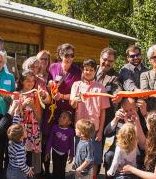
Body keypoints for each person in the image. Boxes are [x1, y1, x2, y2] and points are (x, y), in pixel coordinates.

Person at [42, 43, 81, 175]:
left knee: (64, 139)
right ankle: (47, 170)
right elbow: (48, 84)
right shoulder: (53, 67)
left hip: (67, 111)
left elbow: (78, 93)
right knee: (48, 137)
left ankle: (60, 171)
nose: (69, 58)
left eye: (72, 55)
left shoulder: (77, 71)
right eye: (66, 55)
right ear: (60, 55)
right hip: (53, 109)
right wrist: (50, 84)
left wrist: (62, 96)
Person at [70, 58, 110, 178]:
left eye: (91, 70)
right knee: (80, 157)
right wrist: (76, 99)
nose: (88, 72)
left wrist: (100, 131)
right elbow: (72, 104)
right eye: (86, 69)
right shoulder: (76, 85)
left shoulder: (100, 88)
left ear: (95, 71)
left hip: (94, 129)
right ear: (82, 69)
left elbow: (103, 112)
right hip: (80, 130)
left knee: (95, 159)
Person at [104, 98, 147, 178]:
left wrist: (136, 123)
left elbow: (143, 143)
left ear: (136, 109)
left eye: (131, 110)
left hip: (135, 150)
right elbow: (107, 133)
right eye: (126, 110)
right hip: (119, 149)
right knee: (109, 155)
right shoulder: (119, 118)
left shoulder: (140, 119)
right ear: (121, 109)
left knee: (143, 156)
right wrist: (115, 119)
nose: (129, 113)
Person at [95, 47, 122, 173]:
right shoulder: (90, 70)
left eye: (110, 61)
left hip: (105, 118)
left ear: (114, 62)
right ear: (100, 58)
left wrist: (118, 95)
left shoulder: (115, 76)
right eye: (105, 59)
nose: (106, 63)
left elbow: (117, 89)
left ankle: (99, 173)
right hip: (89, 116)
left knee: (101, 149)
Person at [14, 70, 46, 175]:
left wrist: (33, 106)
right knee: (20, 156)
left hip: (33, 131)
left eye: (33, 81)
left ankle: (31, 175)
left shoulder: (35, 94)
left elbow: (39, 118)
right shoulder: (17, 94)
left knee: (31, 158)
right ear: (22, 81)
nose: (31, 83)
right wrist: (22, 106)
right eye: (28, 80)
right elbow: (14, 115)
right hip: (21, 131)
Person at [45, 111, 75, 179]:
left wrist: (71, 154)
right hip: (55, 152)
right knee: (55, 169)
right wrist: (47, 151)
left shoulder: (70, 131)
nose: (60, 118)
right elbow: (50, 140)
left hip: (65, 153)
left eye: (64, 117)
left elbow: (71, 143)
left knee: (62, 169)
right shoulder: (55, 128)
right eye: (60, 116)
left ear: (69, 122)